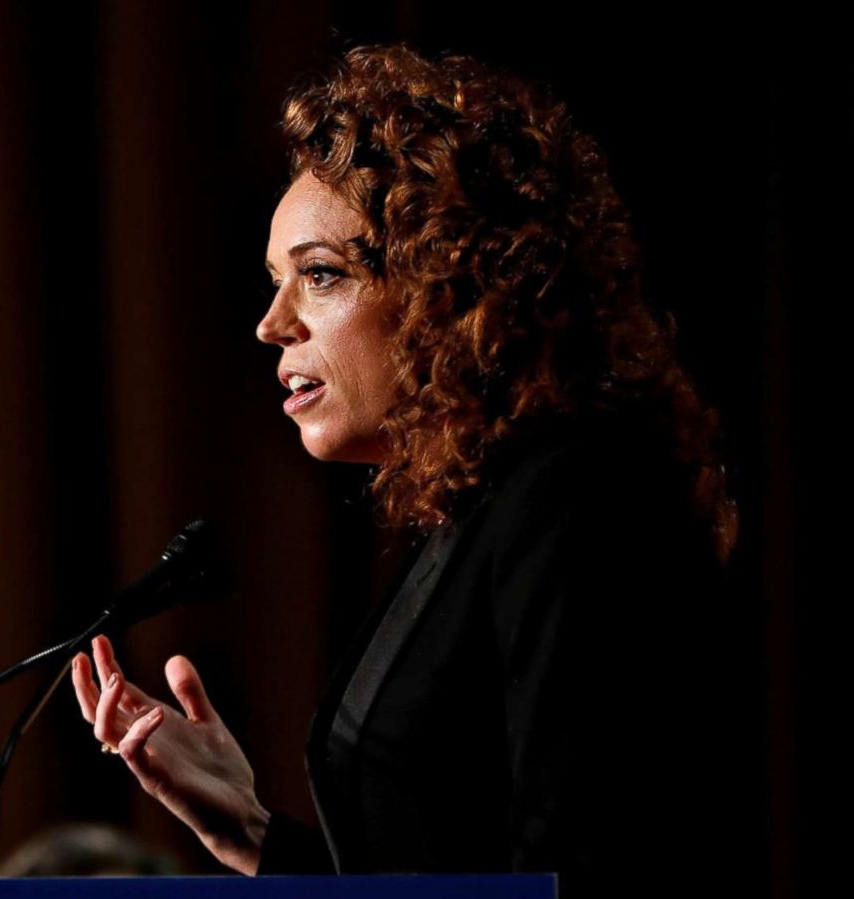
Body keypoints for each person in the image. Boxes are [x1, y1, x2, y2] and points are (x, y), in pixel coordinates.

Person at [70, 44, 746, 896]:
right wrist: (243, 828)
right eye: (277, 281)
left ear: (450, 285)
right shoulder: (480, 506)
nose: (272, 323)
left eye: (319, 275)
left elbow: (582, 879)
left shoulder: (574, 497)